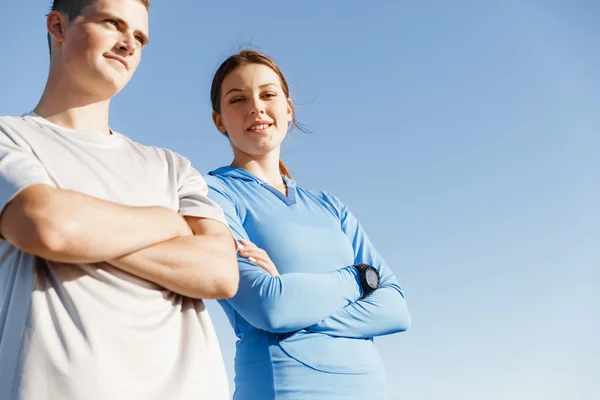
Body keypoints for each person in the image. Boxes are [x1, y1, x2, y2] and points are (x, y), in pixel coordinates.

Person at [0, 1, 238, 399]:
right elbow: (47, 226)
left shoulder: (172, 167)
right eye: (113, 23)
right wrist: (169, 223)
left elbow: (220, 272)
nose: (129, 44)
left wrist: (83, 233)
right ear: (57, 26)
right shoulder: (9, 137)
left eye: (141, 37)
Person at [204, 49, 411, 400]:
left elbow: (395, 309)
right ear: (219, 120)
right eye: (238, 99)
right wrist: (359, 279)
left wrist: (295, 301)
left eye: (268, 94)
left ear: (288, 108)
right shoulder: (212, 192)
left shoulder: (330, 206)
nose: (256, 107)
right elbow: (271, 306)